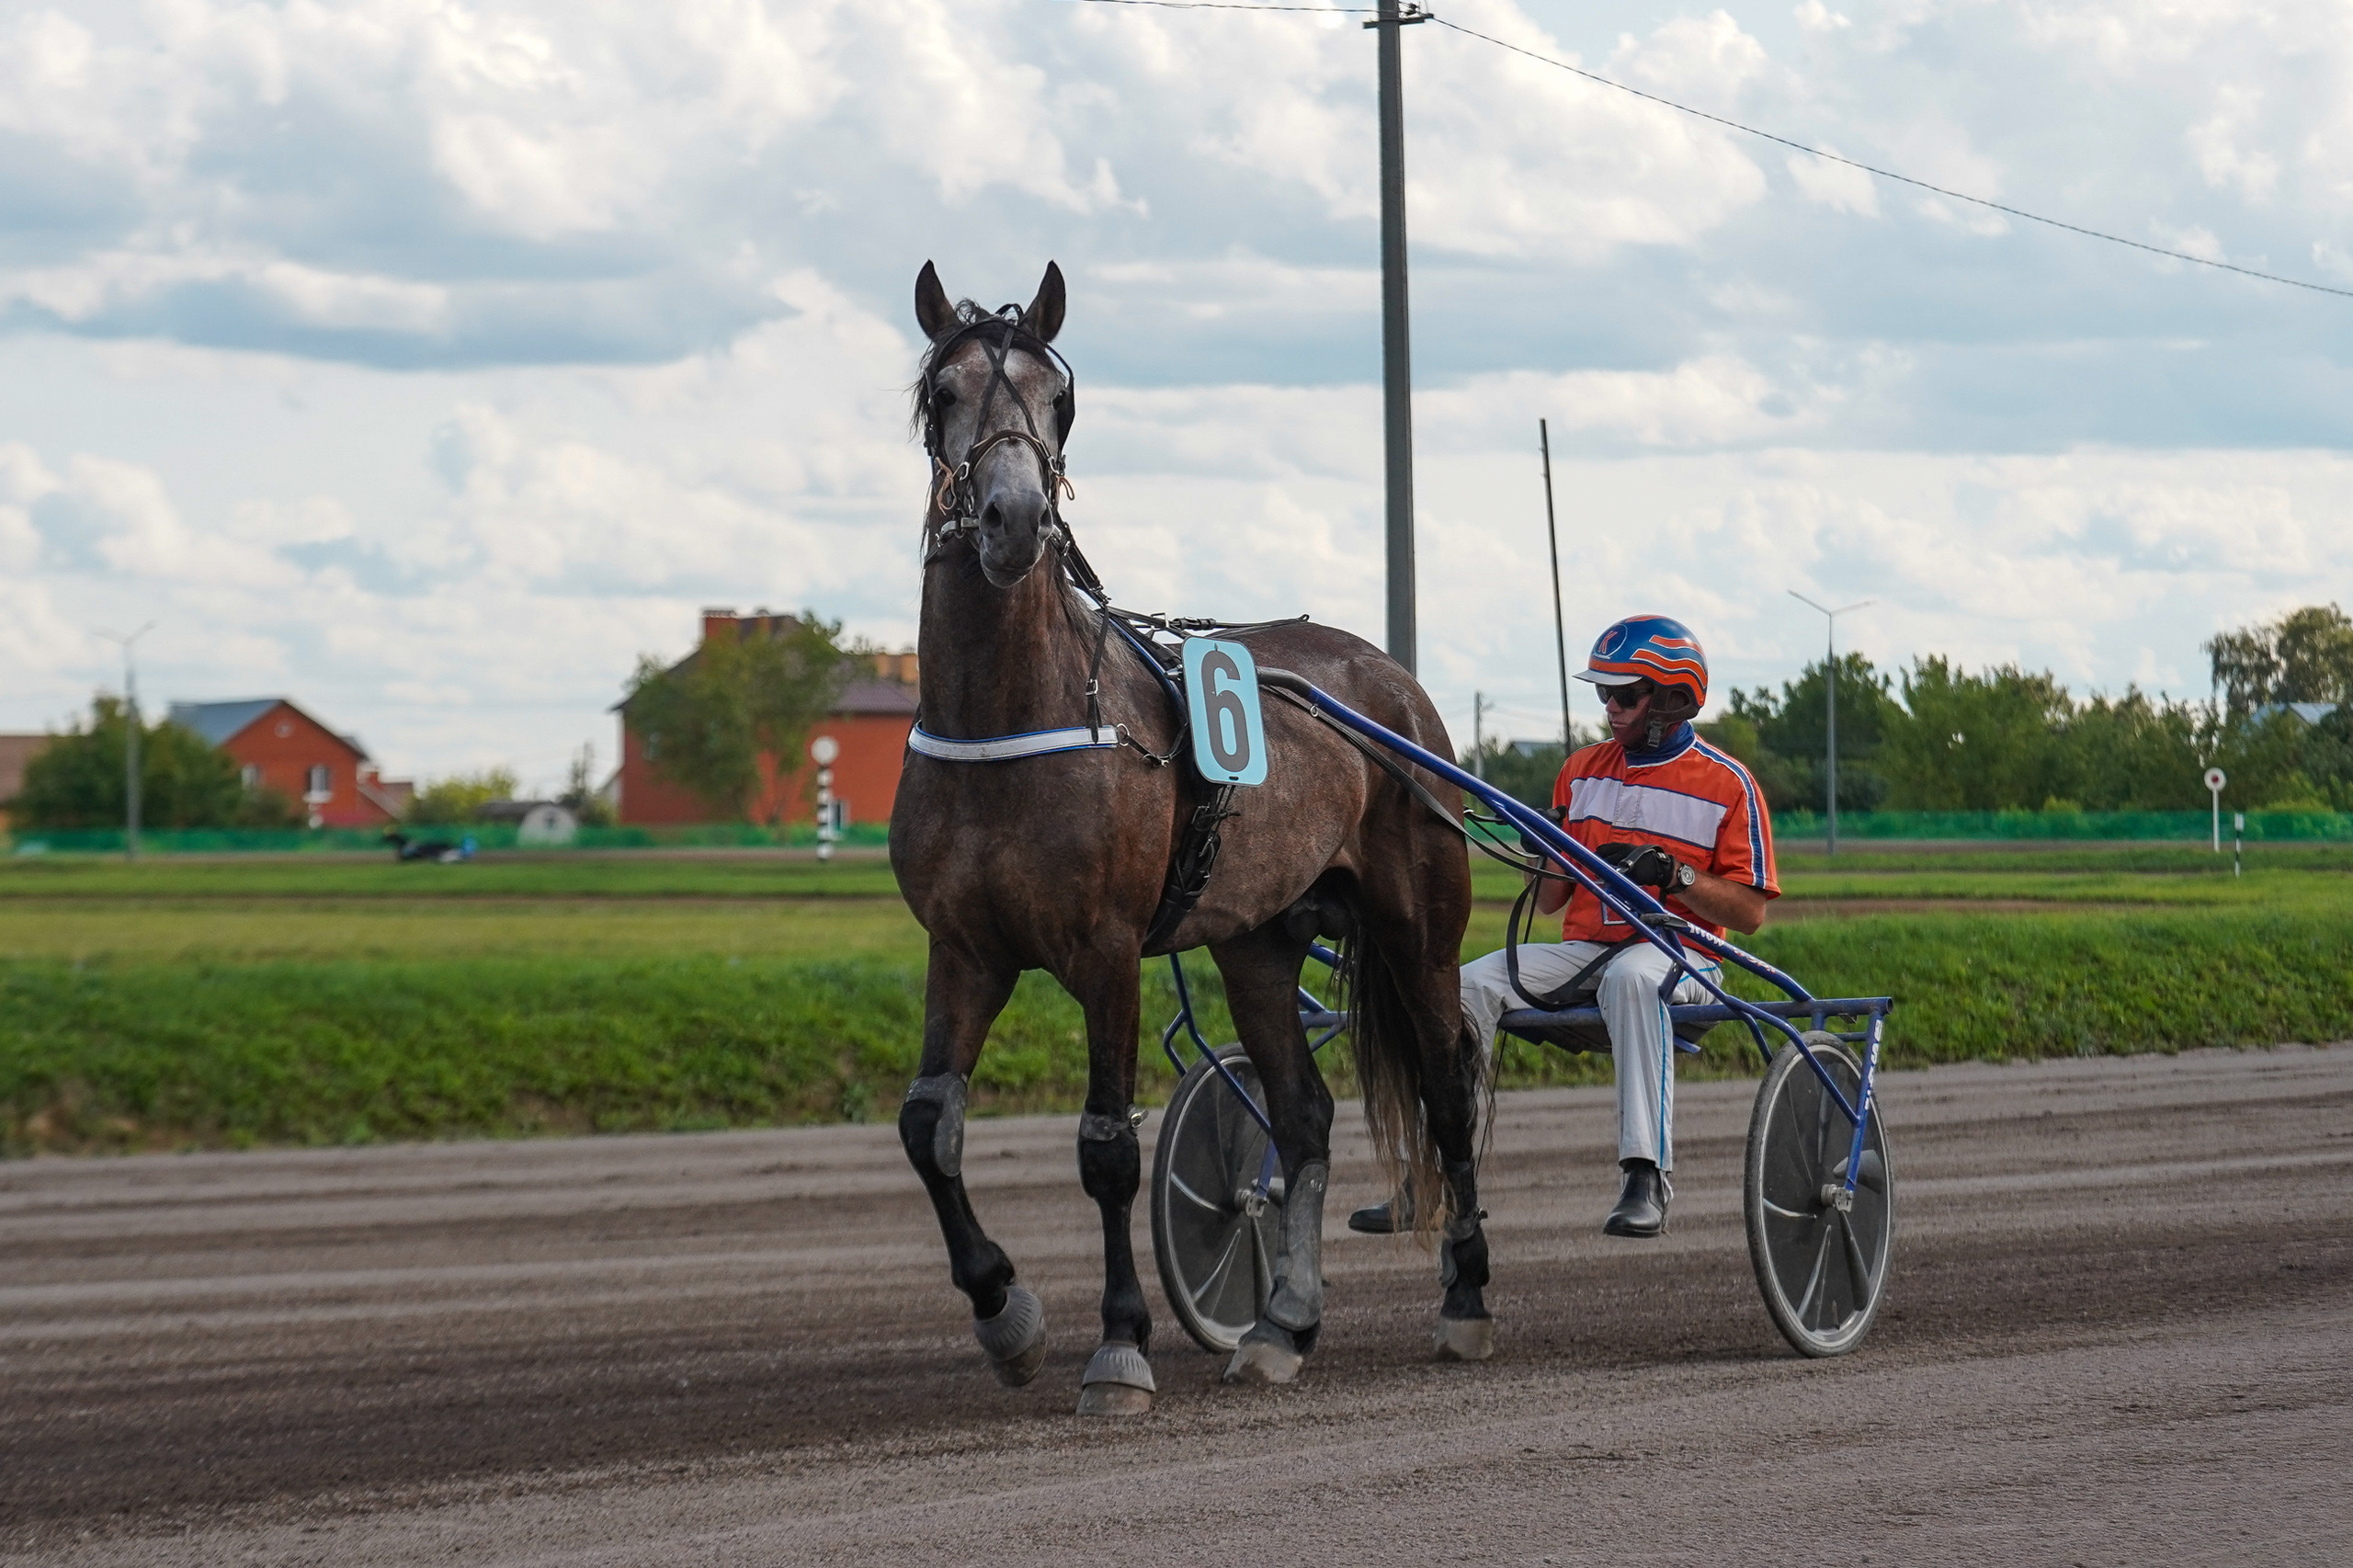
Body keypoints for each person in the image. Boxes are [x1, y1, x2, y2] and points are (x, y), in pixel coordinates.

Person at [1351, 614, 1779, 1239]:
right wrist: (1542, 850)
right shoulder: (1581, 771)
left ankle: (1645, 1176)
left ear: (1671, 696)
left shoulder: (1728, 783)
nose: (1609, 705)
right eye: (1602, 692)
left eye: (1624, 694)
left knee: (1634, 978)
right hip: (1584, 953)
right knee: (1463, 990)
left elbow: (1750, 914)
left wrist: (1676, 876)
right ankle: (1434, 1173)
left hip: (1682, 957)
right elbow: (1550, 901)